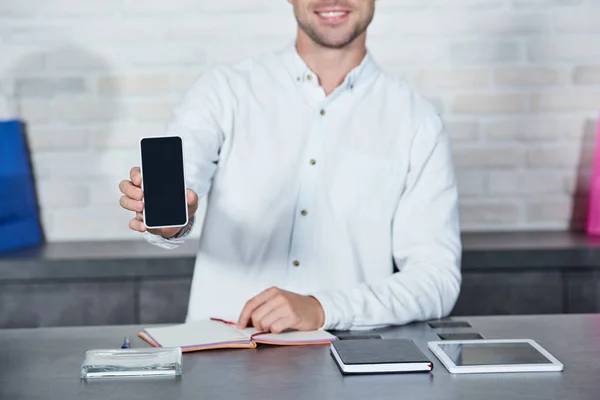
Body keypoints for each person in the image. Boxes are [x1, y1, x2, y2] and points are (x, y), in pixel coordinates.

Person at [119, 0, 462, 333]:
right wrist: (170, 219)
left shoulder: (417, 121)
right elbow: (184, 179)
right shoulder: (223, 92)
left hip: (346, 367)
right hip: (220, 359)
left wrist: (323, 308)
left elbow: (436, 279)